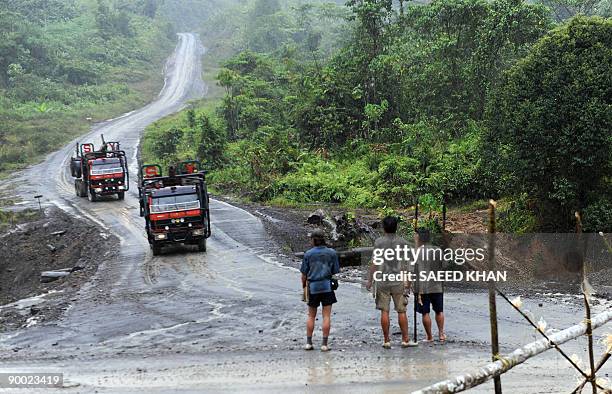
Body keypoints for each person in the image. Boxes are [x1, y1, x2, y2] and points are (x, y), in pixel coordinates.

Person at [367, 216, 411, 349]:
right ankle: (405, 339)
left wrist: (370, 280)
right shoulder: (403, 242)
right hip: (398, 279)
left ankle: (386, 340)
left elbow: (375, 263)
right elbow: (407, 264)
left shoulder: (379, 242)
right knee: (401, 311)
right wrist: (408, 281)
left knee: (384, 310)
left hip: (383, 280)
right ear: (396, 227)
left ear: (384, 227)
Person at [300, 229, 339, 352]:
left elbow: (304, 275)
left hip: (313, 287)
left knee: (311, 315)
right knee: (326, 316)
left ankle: (309, 342)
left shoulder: (308, 254)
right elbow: (335, 270)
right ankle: (324, 344)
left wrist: (304, 287)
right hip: (327, 287)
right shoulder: (331, 253)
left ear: (312, 240)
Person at [413, 227, 446, 342]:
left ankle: (429, 336)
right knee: (439, 310)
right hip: (437, 285)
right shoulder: (437, 250)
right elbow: (443, 266)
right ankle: (441, 334)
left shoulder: (417, 252)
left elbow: (414, 270)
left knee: (425, 312)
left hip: (422, 287)